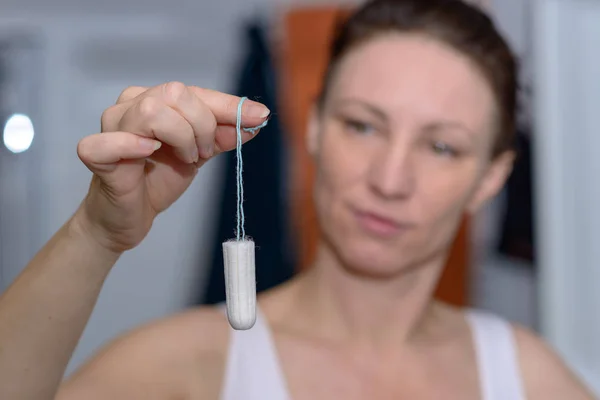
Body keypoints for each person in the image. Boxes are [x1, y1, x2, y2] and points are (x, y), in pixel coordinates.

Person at [0, 0, 595, 399]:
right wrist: (96, 234)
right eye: (363, 125)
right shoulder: (182, 368)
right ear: (312, 130)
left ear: (491, 178)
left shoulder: (530, 380)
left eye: (441, 146)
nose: (390, 179)